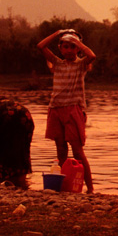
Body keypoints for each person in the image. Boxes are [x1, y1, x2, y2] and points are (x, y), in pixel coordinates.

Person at [37, 28, 96, 193]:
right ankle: (62, 186)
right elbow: (40, 46)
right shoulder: (56, 62)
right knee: (61, 149)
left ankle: (90, 188)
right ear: (60, 48)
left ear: (77, 48)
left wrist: (78, 42)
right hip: (55, 108)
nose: (69, 50)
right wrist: (57, 33)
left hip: (73, 109)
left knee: (77, 151)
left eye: (73, 47)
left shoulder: (81, 64)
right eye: (66, 47)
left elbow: (92, 56)